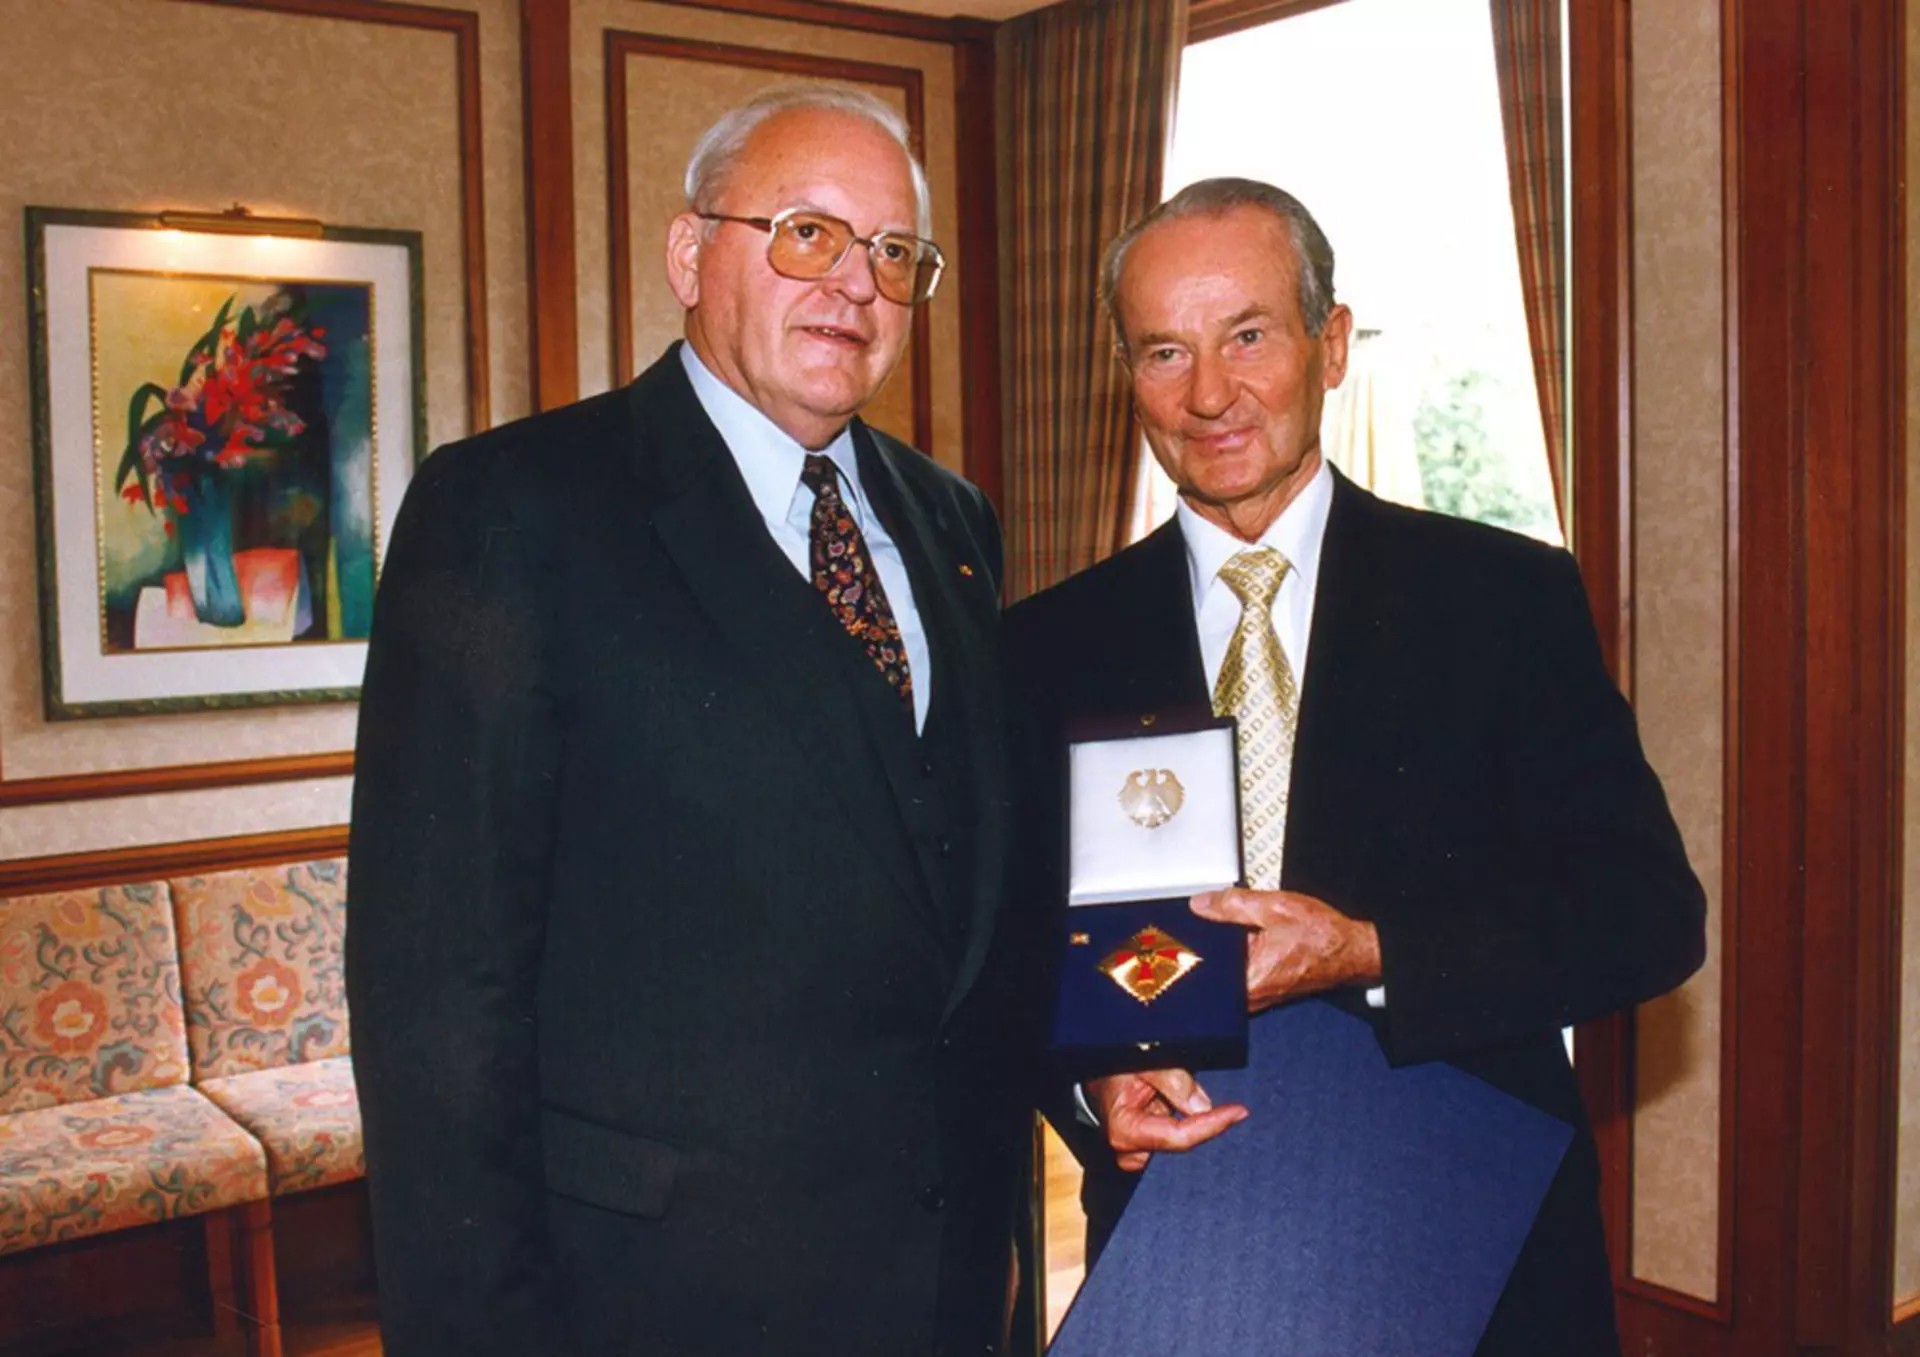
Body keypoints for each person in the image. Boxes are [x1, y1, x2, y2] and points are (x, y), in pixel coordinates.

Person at [347, 86, 1028, 1357]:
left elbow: (969, 905)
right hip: (659, 1296)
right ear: (686, 255)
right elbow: (438, 992)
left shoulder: (954, 523)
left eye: (893, 254)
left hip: (941, 1282)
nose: (856, 286)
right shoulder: (510, 512)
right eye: (807, 234)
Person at [1006, 178, 1706, 1356]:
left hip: (1471, 1232)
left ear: (1330, 347)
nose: (1209, 394)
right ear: (1124, 375)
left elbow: (1643, 916)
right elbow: (1008, 949)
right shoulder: (1043, 646)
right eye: (1164, 351)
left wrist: (1372, 948)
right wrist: (1092, 1095)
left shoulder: (1503, 599)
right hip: (1192, 1252)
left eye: (1248, 336)